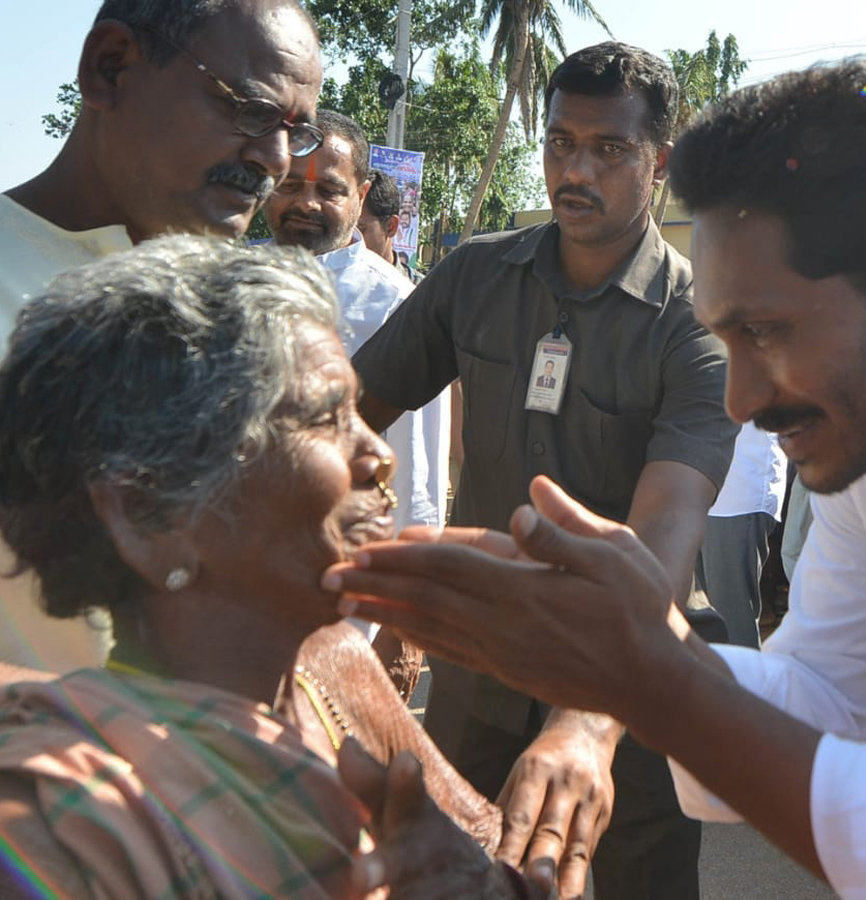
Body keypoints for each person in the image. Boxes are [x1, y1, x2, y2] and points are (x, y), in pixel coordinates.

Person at [327, 59, 866, 897]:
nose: (740, 402)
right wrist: (622, 648)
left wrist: (646, 679)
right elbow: (822, 696)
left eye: (767, 332)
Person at [0, 236, 545, 899]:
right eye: (324, 418)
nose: (379, 454)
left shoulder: (334, 665)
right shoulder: (63, 823)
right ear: (149, 515)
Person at [352, 41, 737, 900]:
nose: (577, 169)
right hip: (476, 680)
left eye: (610, 149)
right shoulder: (473, 276)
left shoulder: (696, 327)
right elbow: (341, 419)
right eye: (562, 142)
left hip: (629, 705)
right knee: (450, 879)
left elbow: (663, 536)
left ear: (659, 163)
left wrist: (588, 722)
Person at [0, 0, 324, 675]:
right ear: (110, 69)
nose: (276, 159)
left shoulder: (244, 314)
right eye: (252, 109)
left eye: (298, 131)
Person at [264, 110, 448, 532]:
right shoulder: (233, 285)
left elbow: (414, 467)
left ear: (360, 196)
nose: (306, 203)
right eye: (291, 185)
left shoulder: (396, 303)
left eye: (329, 189)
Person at [695, 423, 787, 647]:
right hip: (699, 492)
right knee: (702, 628)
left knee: (732, 629)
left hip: (737, 494)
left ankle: (743, 684)